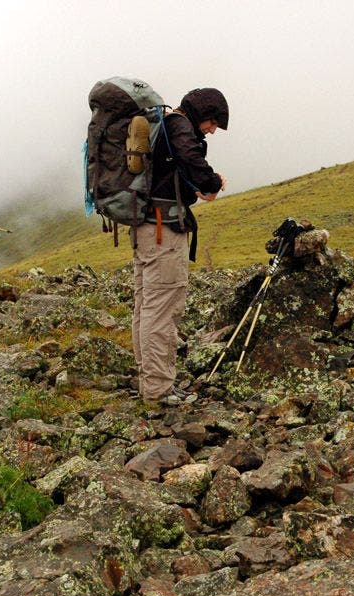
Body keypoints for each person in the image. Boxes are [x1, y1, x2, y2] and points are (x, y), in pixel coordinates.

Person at [132, 88, 229, 405]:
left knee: (146, 305)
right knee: (162, 308)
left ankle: (151, 380)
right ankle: (159, 389)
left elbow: (179, 166)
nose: (212, 130)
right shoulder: (180, 126)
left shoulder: (166, 125)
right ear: (203, 113)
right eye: (213, 122)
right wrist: (212, 182)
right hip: (164, 230)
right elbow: (191, 158)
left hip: (146, 226)